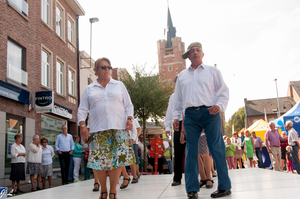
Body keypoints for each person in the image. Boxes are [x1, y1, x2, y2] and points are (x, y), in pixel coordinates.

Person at [173, 42, 231, 199]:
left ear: (203, 54)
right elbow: (177, 100)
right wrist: (176, 117)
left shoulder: (213, 71)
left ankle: (225, 187)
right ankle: (191, 189)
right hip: (190, 114)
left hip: (209, 112)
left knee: (217, 149)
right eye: (192, 51)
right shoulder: (182, 76)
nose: (195, 52)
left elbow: (223, 92)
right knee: (191, 151)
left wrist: (219, 106)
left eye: (198, 50)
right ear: (188, 56)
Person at [78, 57, 136, 199]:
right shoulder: (89, 89)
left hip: (118, 128)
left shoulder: (119, 85)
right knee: (99, 162)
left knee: (117, 160)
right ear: (96, 70)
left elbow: (128, 105)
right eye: (103, 67)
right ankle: (103, 190)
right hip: (98, 130)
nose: (107, 70)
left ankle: (113, 191)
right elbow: (82, 109)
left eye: (109, 67)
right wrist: (83, 126)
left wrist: (129, 119)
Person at [164, 75, 186, 186]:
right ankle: (177, 178)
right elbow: (169, 111)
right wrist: (167, 127)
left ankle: (203, 176)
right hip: (177, 124)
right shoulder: (173, 97)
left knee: (195, 153)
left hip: (190, 123)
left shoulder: (189, 94)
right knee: (178, 152)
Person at [120, 118, 141, 189]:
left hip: (131, 141)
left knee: (132, 158)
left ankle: (135, 176)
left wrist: (133, 138)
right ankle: (125, 176)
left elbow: (136, 130)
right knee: (120, 158)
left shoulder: (132, 118)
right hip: (120, 140)